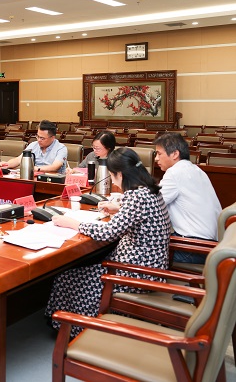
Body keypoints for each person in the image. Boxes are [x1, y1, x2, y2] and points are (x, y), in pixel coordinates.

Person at [45, 148, 172, 337]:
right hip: (151, 265)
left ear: (120, 174)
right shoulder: (150, 189)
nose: (112, 180)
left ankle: (75, 330)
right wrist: (119, 208)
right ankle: (64, 323)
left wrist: (73, 223)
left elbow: (108, 233)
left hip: (137, 272)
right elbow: (139, 215)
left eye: (112, 175)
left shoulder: (137, 196)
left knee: (68, 276)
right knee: (80, 268)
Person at [155, 132, 221, 263]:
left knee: (140, 248)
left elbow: (151, 204)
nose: (156, 159)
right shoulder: (196, 170)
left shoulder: (175, 172)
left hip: (194, 247)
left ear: (175, 154)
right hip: (212, 246)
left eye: (159, 154)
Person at [2, 120, 67, 174]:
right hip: (34, 177)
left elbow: (55, 167)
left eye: (42, 138)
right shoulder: (33, 145)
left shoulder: (61, 148)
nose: (39, 140)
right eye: (38, 136)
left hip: (52, 179)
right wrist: (7, 164)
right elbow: (19, 159)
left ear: (52, 138)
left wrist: (37, 169)